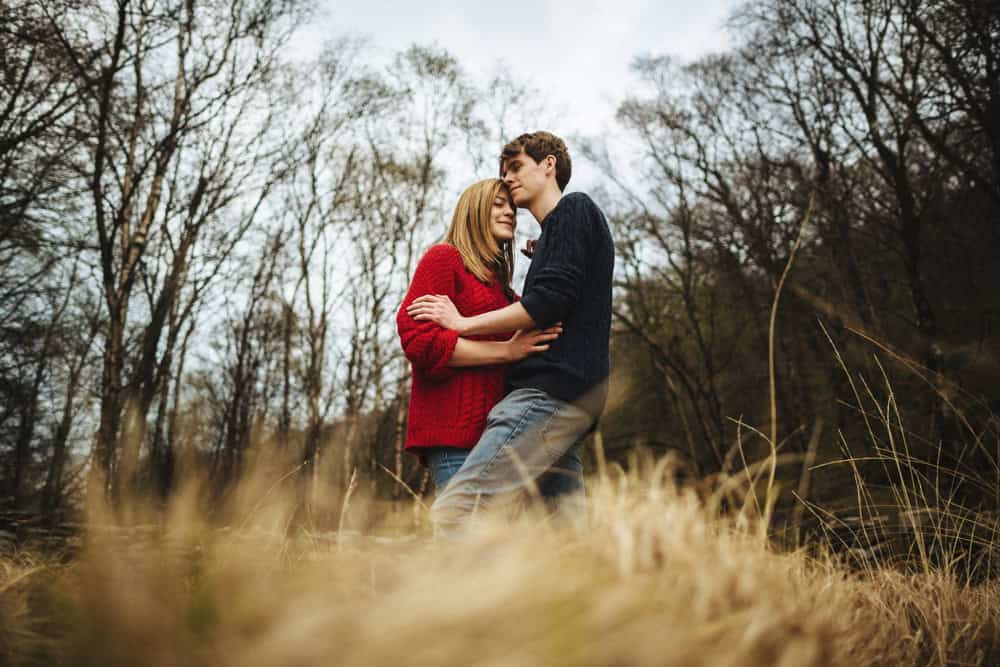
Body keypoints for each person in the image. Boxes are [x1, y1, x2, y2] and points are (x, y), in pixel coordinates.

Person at [407, 131, 614, 531]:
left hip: (548, 395)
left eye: (516, 167)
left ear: (548, 164)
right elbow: (420, 339)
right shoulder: (451, 259)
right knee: (563, 536)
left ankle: (439, 596)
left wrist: (464, 324)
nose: (509, 180)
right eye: (499, 189)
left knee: (459, 512)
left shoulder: (573, 210)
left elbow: (548, 301)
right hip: (549, 404)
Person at [396, 178, 562, 492]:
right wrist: (507, 351)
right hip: (455, 440)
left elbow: (542, 327)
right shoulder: (444, 259)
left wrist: (546, 260)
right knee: (464, 537)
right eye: (498, 204)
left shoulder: (504, 293)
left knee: (500, 541)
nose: (509, 212)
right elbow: (420, 342)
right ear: (474, 211)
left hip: (500, 441)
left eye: (511, 207)